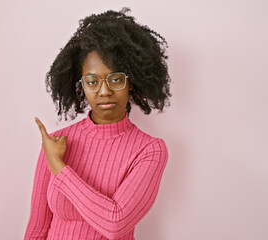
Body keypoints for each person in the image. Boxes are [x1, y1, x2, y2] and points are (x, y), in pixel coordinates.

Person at [24, 7, 172, 240]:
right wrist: (52, 158)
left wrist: (59, 167)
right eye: (92, 81)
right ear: (81, 85)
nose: (104, 91)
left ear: (131, 81)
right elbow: (36, 229)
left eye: (115, 79)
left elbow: (115, 223)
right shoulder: (56, 142)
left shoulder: (150, 150)